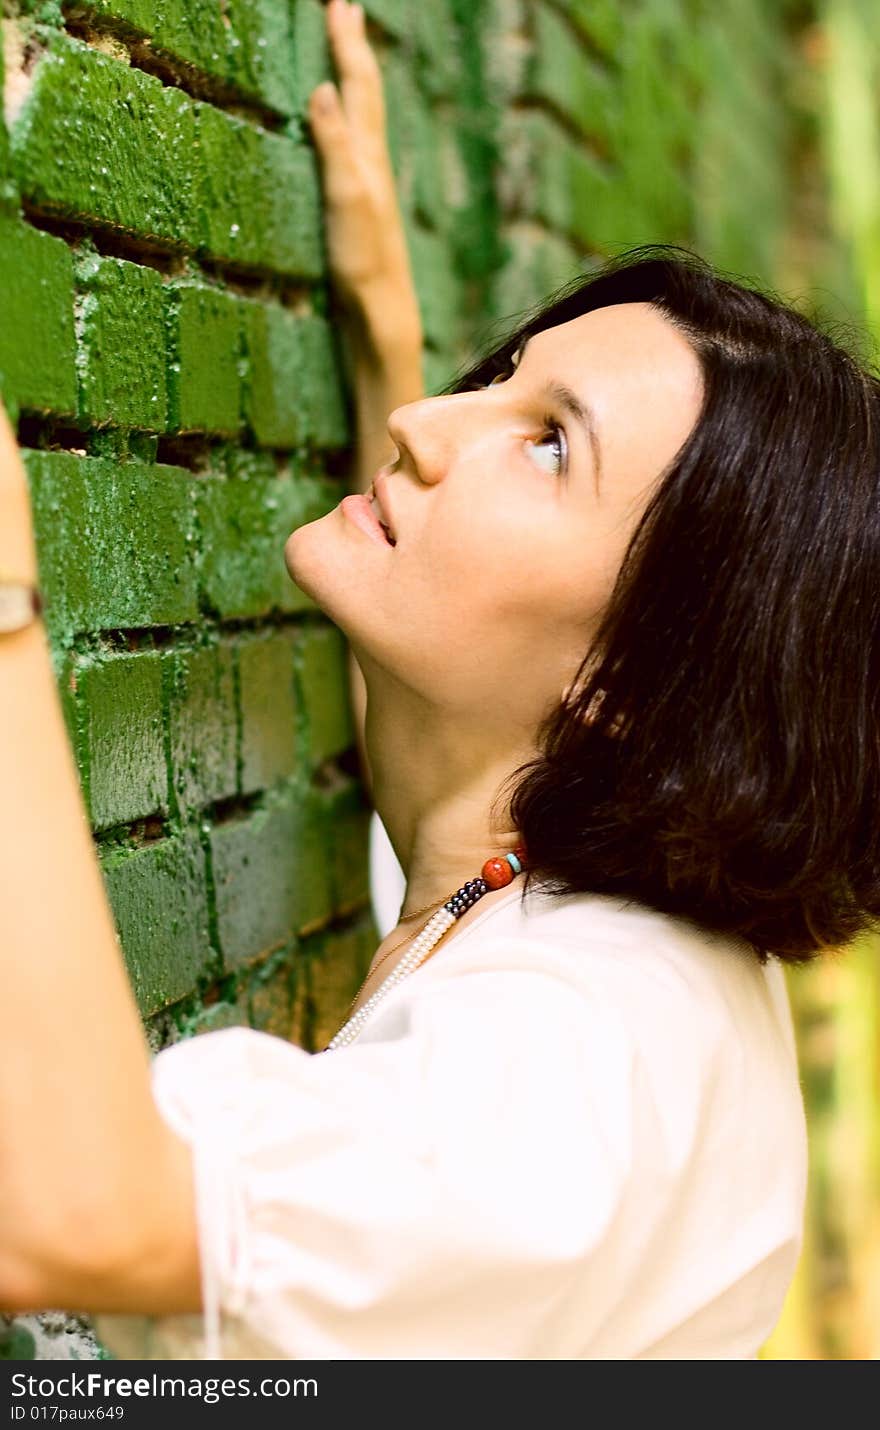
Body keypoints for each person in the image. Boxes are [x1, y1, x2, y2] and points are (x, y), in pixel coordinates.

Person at [1, 0, 877, 1360]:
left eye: (546, 446)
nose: (423, 430)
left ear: (638, 684)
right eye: (507, 377)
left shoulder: (585, 1067)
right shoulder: (538, 859)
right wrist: (383, 325)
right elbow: (439, 739)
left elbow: (64, 1212)